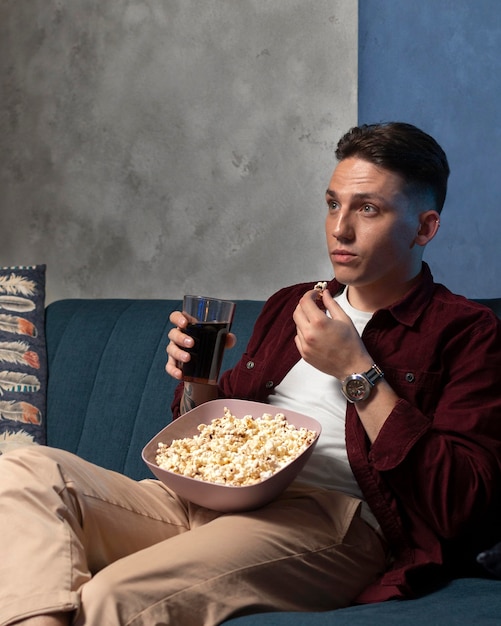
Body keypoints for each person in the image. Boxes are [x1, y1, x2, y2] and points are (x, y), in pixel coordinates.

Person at [1, 122, 500, 626]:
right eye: (332, 204)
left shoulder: (465, 331)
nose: (339, 228)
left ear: (424, 228)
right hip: (207, 498)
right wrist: (198, 381)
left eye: (367, 209)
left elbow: (463, 503)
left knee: (113, 593)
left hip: (328, 518)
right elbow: (222, 432)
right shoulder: (293, 303)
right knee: (25, 472)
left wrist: (355, 369)